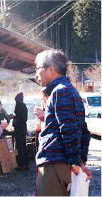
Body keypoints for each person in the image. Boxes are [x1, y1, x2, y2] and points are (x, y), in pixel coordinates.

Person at [35, 49, 92, 196]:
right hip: (62, 164)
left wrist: (75, 162)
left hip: (55, 165)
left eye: (38, 68)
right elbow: (84, 130)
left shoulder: (60, 91)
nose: (36, 74)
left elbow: (68, 129)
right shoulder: (71, 91)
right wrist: (80, 161)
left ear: (51, 69)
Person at [13, 92, 30, 171]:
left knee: (20, 146)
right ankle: (26, 164)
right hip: (23, 128)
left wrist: (14, 120)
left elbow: (19, 118)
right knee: (24, 146)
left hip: (19, 128)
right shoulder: (24, 106)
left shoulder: (19, 106)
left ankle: (21, 164)